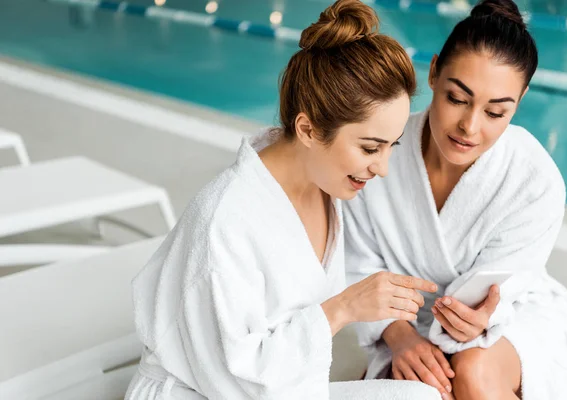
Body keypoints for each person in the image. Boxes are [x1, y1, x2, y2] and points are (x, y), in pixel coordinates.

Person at [125, 1, 440, 399]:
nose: (383, 168)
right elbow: (237, 378)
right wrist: (342, 308)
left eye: (391, 146)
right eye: (370, 148)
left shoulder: (326, 187)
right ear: (307, 129)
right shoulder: (225, 219)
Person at [344, 0, 567, 399]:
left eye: (496, 112)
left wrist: (480, 322)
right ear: (435, 70)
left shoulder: (533, 179)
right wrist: (401, 339)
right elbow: (355, 262)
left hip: (512, 317)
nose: (469, 128)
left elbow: (499, 295)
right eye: (457, 99)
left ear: (521, 98)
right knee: (427, 387)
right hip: (405, 328)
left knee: (471, 373)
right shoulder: (382, 148)